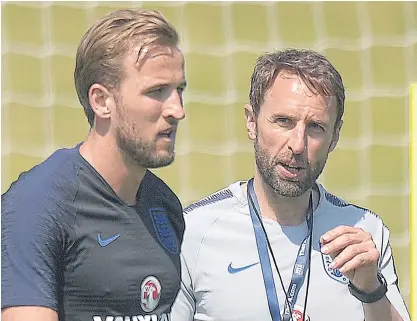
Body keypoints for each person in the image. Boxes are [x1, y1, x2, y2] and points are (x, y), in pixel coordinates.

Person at [171, 48, 411, 321]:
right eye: (284, 121)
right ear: (252, 122)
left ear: (334, 137)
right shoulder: (193, 231)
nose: (298, 145)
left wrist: (371, 290)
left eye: (315, 127)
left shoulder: (364, 232)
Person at [2, 8, 187, 321]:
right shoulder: (36, 206)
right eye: (157, 92)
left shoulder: (164, 204)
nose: (177, 110)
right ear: (102, 101)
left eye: (179, 90)